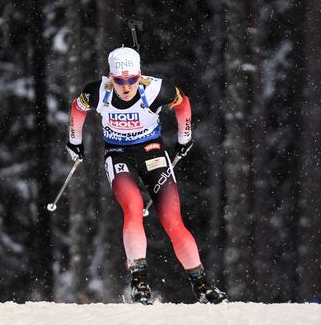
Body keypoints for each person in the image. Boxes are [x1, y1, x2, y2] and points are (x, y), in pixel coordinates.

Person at [66, 47, 227, 304]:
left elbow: (183, 104)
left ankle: (202, 285)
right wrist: (74, 142)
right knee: (133, 208)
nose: (126, 86)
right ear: (111, 78)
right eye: (120, 81)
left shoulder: (155, 89)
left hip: (152, 152)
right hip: (118, 154)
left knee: (172, 221)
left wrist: (184, 139)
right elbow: (77, 109)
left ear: (139, 76)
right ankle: (139, 282)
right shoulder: (97, 92)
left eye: (131, 80)